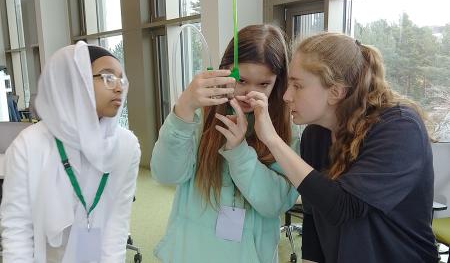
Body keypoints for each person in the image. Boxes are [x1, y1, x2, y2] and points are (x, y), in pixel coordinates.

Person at [242, 32, 439, 263]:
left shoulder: (400, 127)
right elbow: (314, 211)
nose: (286, 96)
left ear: (335, 91)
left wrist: (272, 140)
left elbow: (343, 207)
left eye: (297, 85)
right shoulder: (315, 135)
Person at [151, 24, 299, 263]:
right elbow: (166, 175)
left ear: (277, 82)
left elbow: (275, 203)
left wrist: (240, 151)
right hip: (190, 252)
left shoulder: (287, 130)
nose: (249, 93)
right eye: (241, 80)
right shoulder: (201, 115)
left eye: (263, 84)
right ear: (224, 71)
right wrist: (184, 109)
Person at [0, 41, 141, 262]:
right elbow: (17, 228)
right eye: (107, 77)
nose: (119, 87)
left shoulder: (125, 145)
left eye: (121, 78)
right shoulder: (29, 145)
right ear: (77, 81)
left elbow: (117, 223)